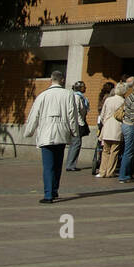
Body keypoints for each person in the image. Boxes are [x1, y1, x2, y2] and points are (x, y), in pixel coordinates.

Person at [23, 70, 84, 204]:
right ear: (62, 80)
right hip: (62, 133)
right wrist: (74, 132)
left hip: (46, 134)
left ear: (51, 80)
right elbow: (72, 116)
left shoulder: (42, 96)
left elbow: (34, 116)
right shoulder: (69, 95)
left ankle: (48, 194)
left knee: (48, 166)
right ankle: (54, 190)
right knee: (57, 164)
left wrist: (29, 131)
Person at [97, 82, 126, 178]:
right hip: (118, 127)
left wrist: (104, 122)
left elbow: (102, 115)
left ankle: (102, 171)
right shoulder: (123, 101)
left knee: (105, 151)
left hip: (107, 126)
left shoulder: (108, 100)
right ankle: (110, 171)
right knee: (115, 151)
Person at [64, 81, 90, 171]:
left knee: (75, 144)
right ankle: (70, 165)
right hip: (76, 123)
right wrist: (81, 123)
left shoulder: (81, 97)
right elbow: (76, 111)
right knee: (76, 143)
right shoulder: (76, 97)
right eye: (84, 87)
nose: (85, 88)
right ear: (80, 88)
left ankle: (71, 164)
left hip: (78, 122)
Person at [92, 81, 114, 174]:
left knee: (101, 139)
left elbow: (100, 110)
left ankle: (100, 158)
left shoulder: (102, 96)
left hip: (101, 120)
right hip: (108, 120)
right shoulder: (109, 98)